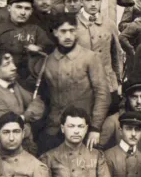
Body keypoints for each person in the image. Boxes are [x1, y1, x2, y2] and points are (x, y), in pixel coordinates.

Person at [37, 13, 111, 152]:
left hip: (83, 128)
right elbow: (43, 96)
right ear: (55, 32)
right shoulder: (49, 61)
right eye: (63, 31)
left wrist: (95, 128)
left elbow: (103, 94)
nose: (68, 36)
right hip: (55, 128)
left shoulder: (90, 57)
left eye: (72, 30)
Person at [0, 0, 54, 99]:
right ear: (9, 8)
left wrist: (39, 48)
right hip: (0, 86)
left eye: (27, 9)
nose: (22, 12)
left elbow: (51, 48)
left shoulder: (36, 30)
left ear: (31, 11)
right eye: (18, 7)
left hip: (27, 88)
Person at [0, 51, 44, 152]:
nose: (14, 67)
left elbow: (38, 101)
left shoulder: (13, 83)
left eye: (13, 63)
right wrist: (27, 117)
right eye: (7, 64)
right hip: (6, 152)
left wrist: (24, 117)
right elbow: (9, 130)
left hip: (25, 146)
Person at [76, 0, 123, 108]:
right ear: (81, 2)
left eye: (97, 0)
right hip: (81, 84)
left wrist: (118, 81)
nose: (93, 4)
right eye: (89, 0)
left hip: (107, 83)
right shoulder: (73, 24)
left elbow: (116, 54)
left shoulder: (109, 24)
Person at [99, 82, 141, 150]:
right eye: (134, 97)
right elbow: (98, 150)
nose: (139, 101)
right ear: (126, 98)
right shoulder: (113, 121)